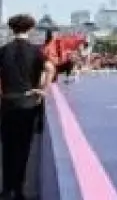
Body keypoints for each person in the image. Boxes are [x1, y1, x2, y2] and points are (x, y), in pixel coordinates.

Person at [0, 13, 56, 200]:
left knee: (7, 147)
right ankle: (19, 189)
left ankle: (6, 188)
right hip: (28, 103)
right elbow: (50, 68)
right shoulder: (36, 51)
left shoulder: (3, 50)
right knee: (23, 148)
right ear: (30, 29)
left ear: (11, 29)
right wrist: (42, 90)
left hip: (7, 102)